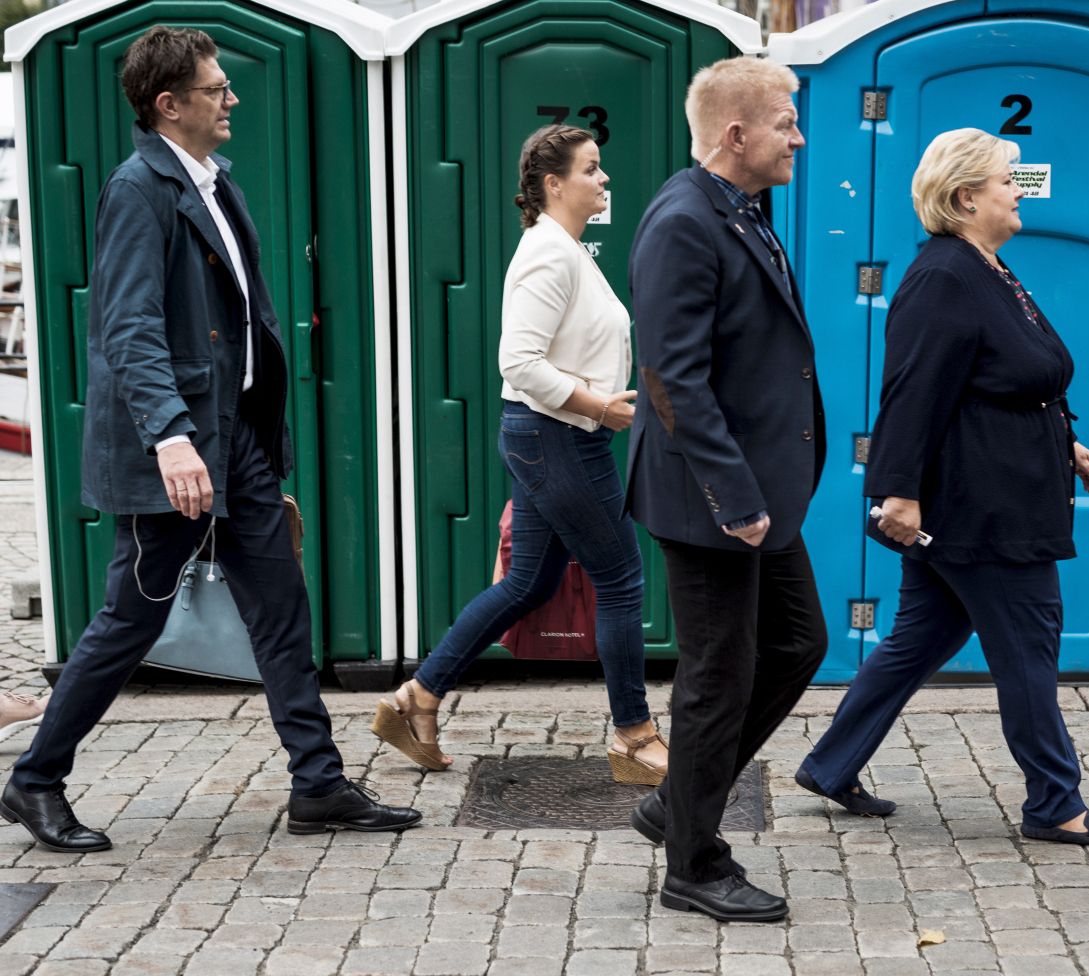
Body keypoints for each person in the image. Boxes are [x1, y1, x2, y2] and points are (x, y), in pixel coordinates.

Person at [0, 26, 421, 854]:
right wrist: (170, 437)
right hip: (184, 451)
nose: (231, 100)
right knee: (130, 620)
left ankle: (319, 784)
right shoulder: (139, 187)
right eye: (216, 89)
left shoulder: (213, 180)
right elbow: (128, 327)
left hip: (239, 445)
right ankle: (34, 779)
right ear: (170, 104)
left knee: (281, 611)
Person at [796, 128, 1089, 846]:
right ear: (965, 197)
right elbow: (912, 391)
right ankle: (1055, 803)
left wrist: (1065, 442)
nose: (1019, 191)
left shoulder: (986, 267)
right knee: (1029, 648)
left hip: (993, 494)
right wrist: (896, 491)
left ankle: (830, 765)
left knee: (920, 639)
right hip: (984, 512)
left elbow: (999, 380)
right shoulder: (946, 274)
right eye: (1007, 180)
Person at [371, 125, 666, 786]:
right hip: (557, 436)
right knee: (620, 578)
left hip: (552, 436)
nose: (604, 179)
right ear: (553, 184)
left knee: (528, 582)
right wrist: (599, 408)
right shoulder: (548, 255)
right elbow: (518, 362)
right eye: (592, 169)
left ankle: (415, 699)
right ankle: (634, 736)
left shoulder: (566, 249)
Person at [624, 57, 826, 923]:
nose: (799, 136)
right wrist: (735, 497)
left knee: (797, 643)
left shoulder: (741, 209)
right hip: (712, 500)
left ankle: (680, 804)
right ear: (736, 134)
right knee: (717, 677)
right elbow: (672, 378)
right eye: (786, 122)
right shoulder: (683, 219)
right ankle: (694, 863)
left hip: (759, 491)